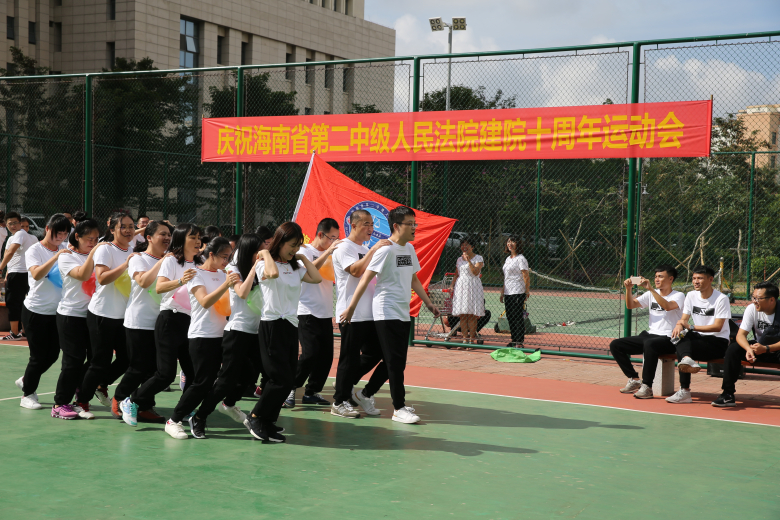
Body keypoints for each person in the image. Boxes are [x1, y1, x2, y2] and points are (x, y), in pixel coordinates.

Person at [340, 206, 441, 424]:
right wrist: (351, 308)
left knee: (395, 361)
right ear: (396, 226)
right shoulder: (385, 250)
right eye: (410, 224)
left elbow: (414, 279)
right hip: (385, 310)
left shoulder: (410, 250)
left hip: (402, 311)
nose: (414, 228)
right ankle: (399, 408)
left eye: (415, 224)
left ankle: (365, 394)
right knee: (395, 362)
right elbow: (365, 279)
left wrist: (429, 303)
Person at [186, 235, 272, 435]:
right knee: (226, 380)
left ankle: (232, 404)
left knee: (255, 374)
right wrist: (254, 268)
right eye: (259, 251)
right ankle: (199, 416)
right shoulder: (232, 269)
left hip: (256, 330)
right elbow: (242, 293)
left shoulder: (259, 268)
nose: (262, 254)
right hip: (237, 331)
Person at [246, 222, 321, 443]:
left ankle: (268, 422)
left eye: (298, 246)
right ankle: (255, 416)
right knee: (278, 378)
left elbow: (316, 278)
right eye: (291, 245)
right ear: (280, 241)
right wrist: (264, 253)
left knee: (288, 380)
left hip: (290, 325)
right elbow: (271, 273)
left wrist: (304, 258)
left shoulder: (295, 266)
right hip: (272, 324)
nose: (294, 250)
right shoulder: (263, 263)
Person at [165, 237, 239, 440]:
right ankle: (174, 420)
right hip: (202, 335)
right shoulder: (196, 274)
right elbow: (205, 301)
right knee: (202, 382)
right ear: (212, 254)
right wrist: (226, 284)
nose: (226, 261)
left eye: (229, 257)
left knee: (226, 379)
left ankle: (201, 416)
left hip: (222, 334)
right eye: (224, 256)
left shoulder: (223, 273)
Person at [129, 224, 200, 432]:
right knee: (166, 374)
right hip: (170, 319)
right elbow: (159, 287)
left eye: (199, 238)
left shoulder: (199, 261)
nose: (198, 241)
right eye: (193, 237)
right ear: (182, 240)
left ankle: (183, 410)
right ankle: (132, 400)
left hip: (190, 322)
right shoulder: (170, 260)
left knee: (194, 373)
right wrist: (180, 280)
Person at [330, 209, 391, 419]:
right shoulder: (343, 247)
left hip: (370, 314)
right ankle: (338, 402)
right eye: (366, 224)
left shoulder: (364, 248)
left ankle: (346, 388)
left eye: (372, 224)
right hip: (351, 314)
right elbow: (355, 271)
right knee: (348, 359)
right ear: (353, 225)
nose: (370, 228)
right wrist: (374, 250)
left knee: (378, 354)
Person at [644, 265, 731, 404]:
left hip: (717, 342)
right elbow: (684, 318)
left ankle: (685, 389)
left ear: (710, 279)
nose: (696, 281)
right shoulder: (691, 295)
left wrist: (691, 327)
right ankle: (686, 366)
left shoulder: (721, 299)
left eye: (700, 278)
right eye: (694, 278)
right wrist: (679, 324)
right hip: (699, 338)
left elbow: (718, 326)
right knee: (680, 337)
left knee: (683, 341)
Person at [115, 221, 173, 425]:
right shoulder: (138, 259)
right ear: (148, 237)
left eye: (169, 235)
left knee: (154, 370)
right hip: (139, 320)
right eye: (162, 234)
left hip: (160, 322)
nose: (167, 238)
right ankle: (120, 398)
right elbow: (143, 282)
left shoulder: (172, 260)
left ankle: (145, 406)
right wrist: (163, 261)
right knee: (138, 366)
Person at [16, 214, 72, 411]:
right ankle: (27, 395)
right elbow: (37, 274)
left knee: (53, 354)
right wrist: (57, 257)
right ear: (47, 229)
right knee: (38, 356)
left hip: (57, 312)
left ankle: (26, 379)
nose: (62, 237)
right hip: (35, 310)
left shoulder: (65, 249)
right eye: (58, 232)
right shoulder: (35, 250)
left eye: (65, 233)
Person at [82, 211, 136, 414]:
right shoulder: (105, 249)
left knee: (127, 359)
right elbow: (102, 278)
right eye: (124, 226)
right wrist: (126, 264)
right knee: (99, 362)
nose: (128, 230)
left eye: (131, 226)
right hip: (102, 314)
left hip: (123, 317)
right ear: (112, 229)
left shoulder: (131, 250)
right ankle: (82, 401)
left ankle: (101, 384)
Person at [51, 219, 105, 419]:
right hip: (70, 315)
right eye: (89, 239)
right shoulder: (67, 257)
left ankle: (80, 397)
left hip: (92, 315)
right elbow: (82, 275)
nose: (93, 242)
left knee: (94, 360)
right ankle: (59, 404)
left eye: (95, 239)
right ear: (77, 237)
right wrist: (95, 252)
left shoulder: (98, 257)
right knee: (72, 361)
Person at [284, 218, 341, 408]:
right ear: (320, 235)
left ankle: (312, 391)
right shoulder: (303, 251)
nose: (334, 241)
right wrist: (329, 252)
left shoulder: (331, 253)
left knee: (326, 356)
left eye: (336, 238)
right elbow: (308, 272)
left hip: (325, 311)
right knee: (310, 353)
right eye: (332, 237)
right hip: (306, 310)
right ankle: (290, 388)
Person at [609, 265, 685, 397]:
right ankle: (634, 379)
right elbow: (630, 305)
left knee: (650, 344)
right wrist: (628, 289)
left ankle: (647, 386)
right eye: (656, 276)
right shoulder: (650, 294)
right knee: (616, 345)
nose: (657, 279)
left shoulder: (679, 295)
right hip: (651, 336)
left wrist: (650, 289)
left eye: (660, 276)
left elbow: (667, 306)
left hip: (670, 338)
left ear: (671, 279)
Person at [713, 281, 780, 407]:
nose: (754, 301)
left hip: (775, 349)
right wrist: (748, 349)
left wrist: (766, 348)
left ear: (771, 300)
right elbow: (741, 335)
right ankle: (727, 394)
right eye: (753, 297)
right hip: (759, 347)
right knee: (733, 349)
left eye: (758, 298)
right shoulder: (751, 309)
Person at [0, 211, 38, 340]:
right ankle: (25, 331)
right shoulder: (18, 237)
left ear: (20, 223)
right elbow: (8, 255)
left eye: (15, 223)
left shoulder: (20, 234)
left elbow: (10, 253)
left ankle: (14, 333)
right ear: (6, 224)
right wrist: (6, 273)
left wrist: (0, 269)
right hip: (23, 274)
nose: (13, 226)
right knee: (23, 303)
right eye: (10, 223)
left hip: (19, 275)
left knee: (13, 304)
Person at [450, 236, 484, 347]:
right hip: (461, 286)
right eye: (462, 245)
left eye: (467, 245)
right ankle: (464, 340)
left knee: (472, 315)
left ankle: (472, 341)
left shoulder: (478, 258)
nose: (464, 247)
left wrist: (469, 260)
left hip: (473, 286)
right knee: (463, 315)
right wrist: (452, 285)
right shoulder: (459, 259)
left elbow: (475, 272)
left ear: (472, 246)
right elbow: (456, 274)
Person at [499, 236, 530, 347]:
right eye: (508, 241)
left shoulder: (521, 258)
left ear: (518, 244)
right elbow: (506, 277)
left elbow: (526, 275)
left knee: (517, 316)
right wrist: (502, 292)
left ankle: (519, 341)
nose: (510, 243)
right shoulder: (508, 259)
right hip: (508, 292)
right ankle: (513, 339)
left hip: (518, 290)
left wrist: (526, 291)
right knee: (510, 316)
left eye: (512, 241)